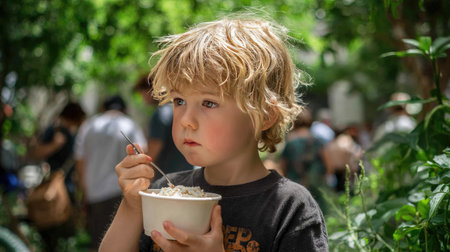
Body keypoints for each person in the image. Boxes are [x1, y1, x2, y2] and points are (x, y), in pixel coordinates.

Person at [100, 17, 328, 252]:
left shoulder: (290, 209)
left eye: (208, 103)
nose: (186, 120)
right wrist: (132, 206)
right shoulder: (166, 192)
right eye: (179, 101)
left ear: (264, 115)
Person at [74, 95, 147, 251]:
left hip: (95, 195)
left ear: (103, 108)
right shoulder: (130, 125)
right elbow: (143, 156)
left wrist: (84, 193)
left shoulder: (89, 126)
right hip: (122, 194)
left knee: (99, 242)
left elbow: (80, 161)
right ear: (124, 109)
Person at [29, 101, 86, 252]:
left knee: (63, 231)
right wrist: (55, 144)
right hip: (55, 188)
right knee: (54, 230)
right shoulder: (55, 130)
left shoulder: (71, 133)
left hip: (66, 189)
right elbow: (36, 152)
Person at [134, 75, 192, 179]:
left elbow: (153, 150)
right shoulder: (179, 110)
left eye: (142, 93)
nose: (142, 98)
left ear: (150, 91)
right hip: (187, 174)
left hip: (166, 178)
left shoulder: (159, 114)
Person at [279, 109, 333, 210]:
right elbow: (329, 166)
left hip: (295, 187)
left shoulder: (290, 143)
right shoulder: (317, 141)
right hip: (316, 187)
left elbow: (283, 167)